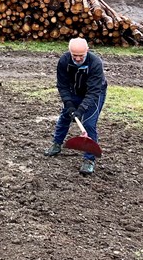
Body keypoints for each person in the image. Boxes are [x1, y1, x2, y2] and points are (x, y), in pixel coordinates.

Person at [44, 37, 107, 175]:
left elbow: (93, 91)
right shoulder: (64, 61)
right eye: (75, 56)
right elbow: (62, 85)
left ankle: (89, 159)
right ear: (69, 52)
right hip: (74, 91)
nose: (78, 59)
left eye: (81, 56)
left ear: (87, 51)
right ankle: (56, 144)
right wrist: (70, 105)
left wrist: (81, 109)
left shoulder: (95, 63)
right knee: (65, 116)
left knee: (89, 124)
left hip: (95, 93)